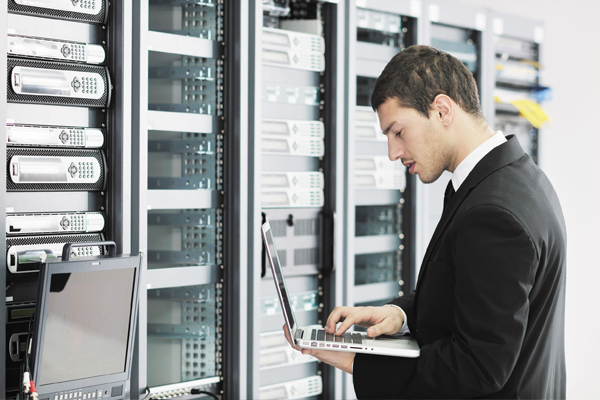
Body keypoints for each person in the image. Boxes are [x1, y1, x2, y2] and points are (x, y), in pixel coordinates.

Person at [284, 45, 566, 399]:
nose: (392, 152)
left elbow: (478, 366)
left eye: (398, 132)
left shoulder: (492, 214)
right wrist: (398, 314)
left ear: (442, 109)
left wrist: (359, 361)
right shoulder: (519, 178)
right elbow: (475, 296)